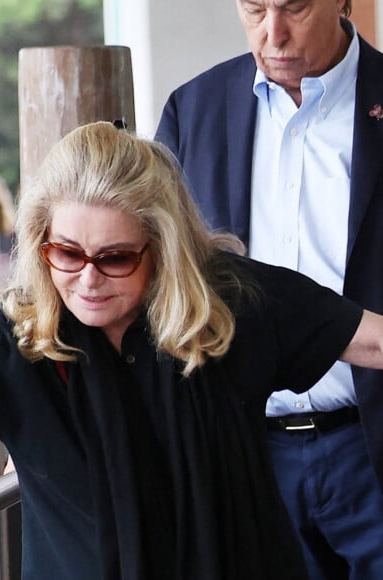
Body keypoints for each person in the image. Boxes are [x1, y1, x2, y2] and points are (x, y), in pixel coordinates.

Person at [0, 122, 383, 579]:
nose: (87, 279)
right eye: (66, 253)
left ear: (163, 246)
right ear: (39, 242)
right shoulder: (7, 339)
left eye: (115, 258)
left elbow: (371, 340)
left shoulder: (230, 300)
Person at [155, 1, 383, 577]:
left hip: (371, 447)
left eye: (294, 7)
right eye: (254, 8)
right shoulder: (194, 109)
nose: (272, 33)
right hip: (246, 455)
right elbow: (155, 278)